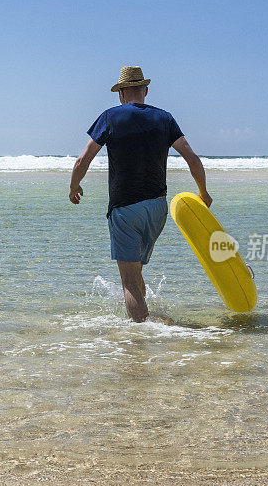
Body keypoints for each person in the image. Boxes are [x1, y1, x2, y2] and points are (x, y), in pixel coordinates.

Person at [69, 66, 212, 322]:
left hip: (125, 209)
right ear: (144, 90)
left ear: (121, 93)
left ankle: (140, 339)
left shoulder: (110, 117)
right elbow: (192, 158)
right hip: (158, 209)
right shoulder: (164, 118)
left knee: (129, 282)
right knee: (137, 273)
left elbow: (82, 160)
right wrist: (203, 192)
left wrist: (74, 186)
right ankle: (145, 317)